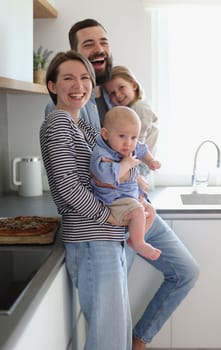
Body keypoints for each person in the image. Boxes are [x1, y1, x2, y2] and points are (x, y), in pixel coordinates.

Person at [45, 19, 199, 350]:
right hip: (104, 222)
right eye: (88, 45)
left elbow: (129, 153)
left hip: (128, 211)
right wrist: (111, 215)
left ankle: (138, 339)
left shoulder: (119, 98)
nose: (98, 49)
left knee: (183, 273)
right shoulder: (68, 111)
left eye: (103, 41)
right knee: (108, 324)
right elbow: (73, 179)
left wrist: (140, 190)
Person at [40, 50, 132, 350]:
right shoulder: (59, 122)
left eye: (84, 78)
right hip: (92, 238)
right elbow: (67, 186)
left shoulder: (84, 127)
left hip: (104, 237)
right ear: (52, 86)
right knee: (109, 337)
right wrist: (109, 216)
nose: (77, 85)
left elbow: (112, 165)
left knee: (115, 332)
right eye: (67, 78)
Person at [90, 105, 161, 260]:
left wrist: (150, 161)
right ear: (106, 134)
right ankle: (140, 243)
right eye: (122, 136)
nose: (128, 143)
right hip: (113, 201)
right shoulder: (101, 154)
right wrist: (126, 164)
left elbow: (142, 149)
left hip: (129, 198)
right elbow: (106, 177)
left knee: (151, 211)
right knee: (137, 212)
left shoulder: (129, 147)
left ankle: (135, 240)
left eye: (133, 137)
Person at [104, 65, 159, 156]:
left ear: (134, 85)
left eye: (121, 87)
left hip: (141, 164)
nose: (118, 95)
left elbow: (138, 142)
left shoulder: (139, 108)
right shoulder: (129, 110)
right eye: (112, 93)